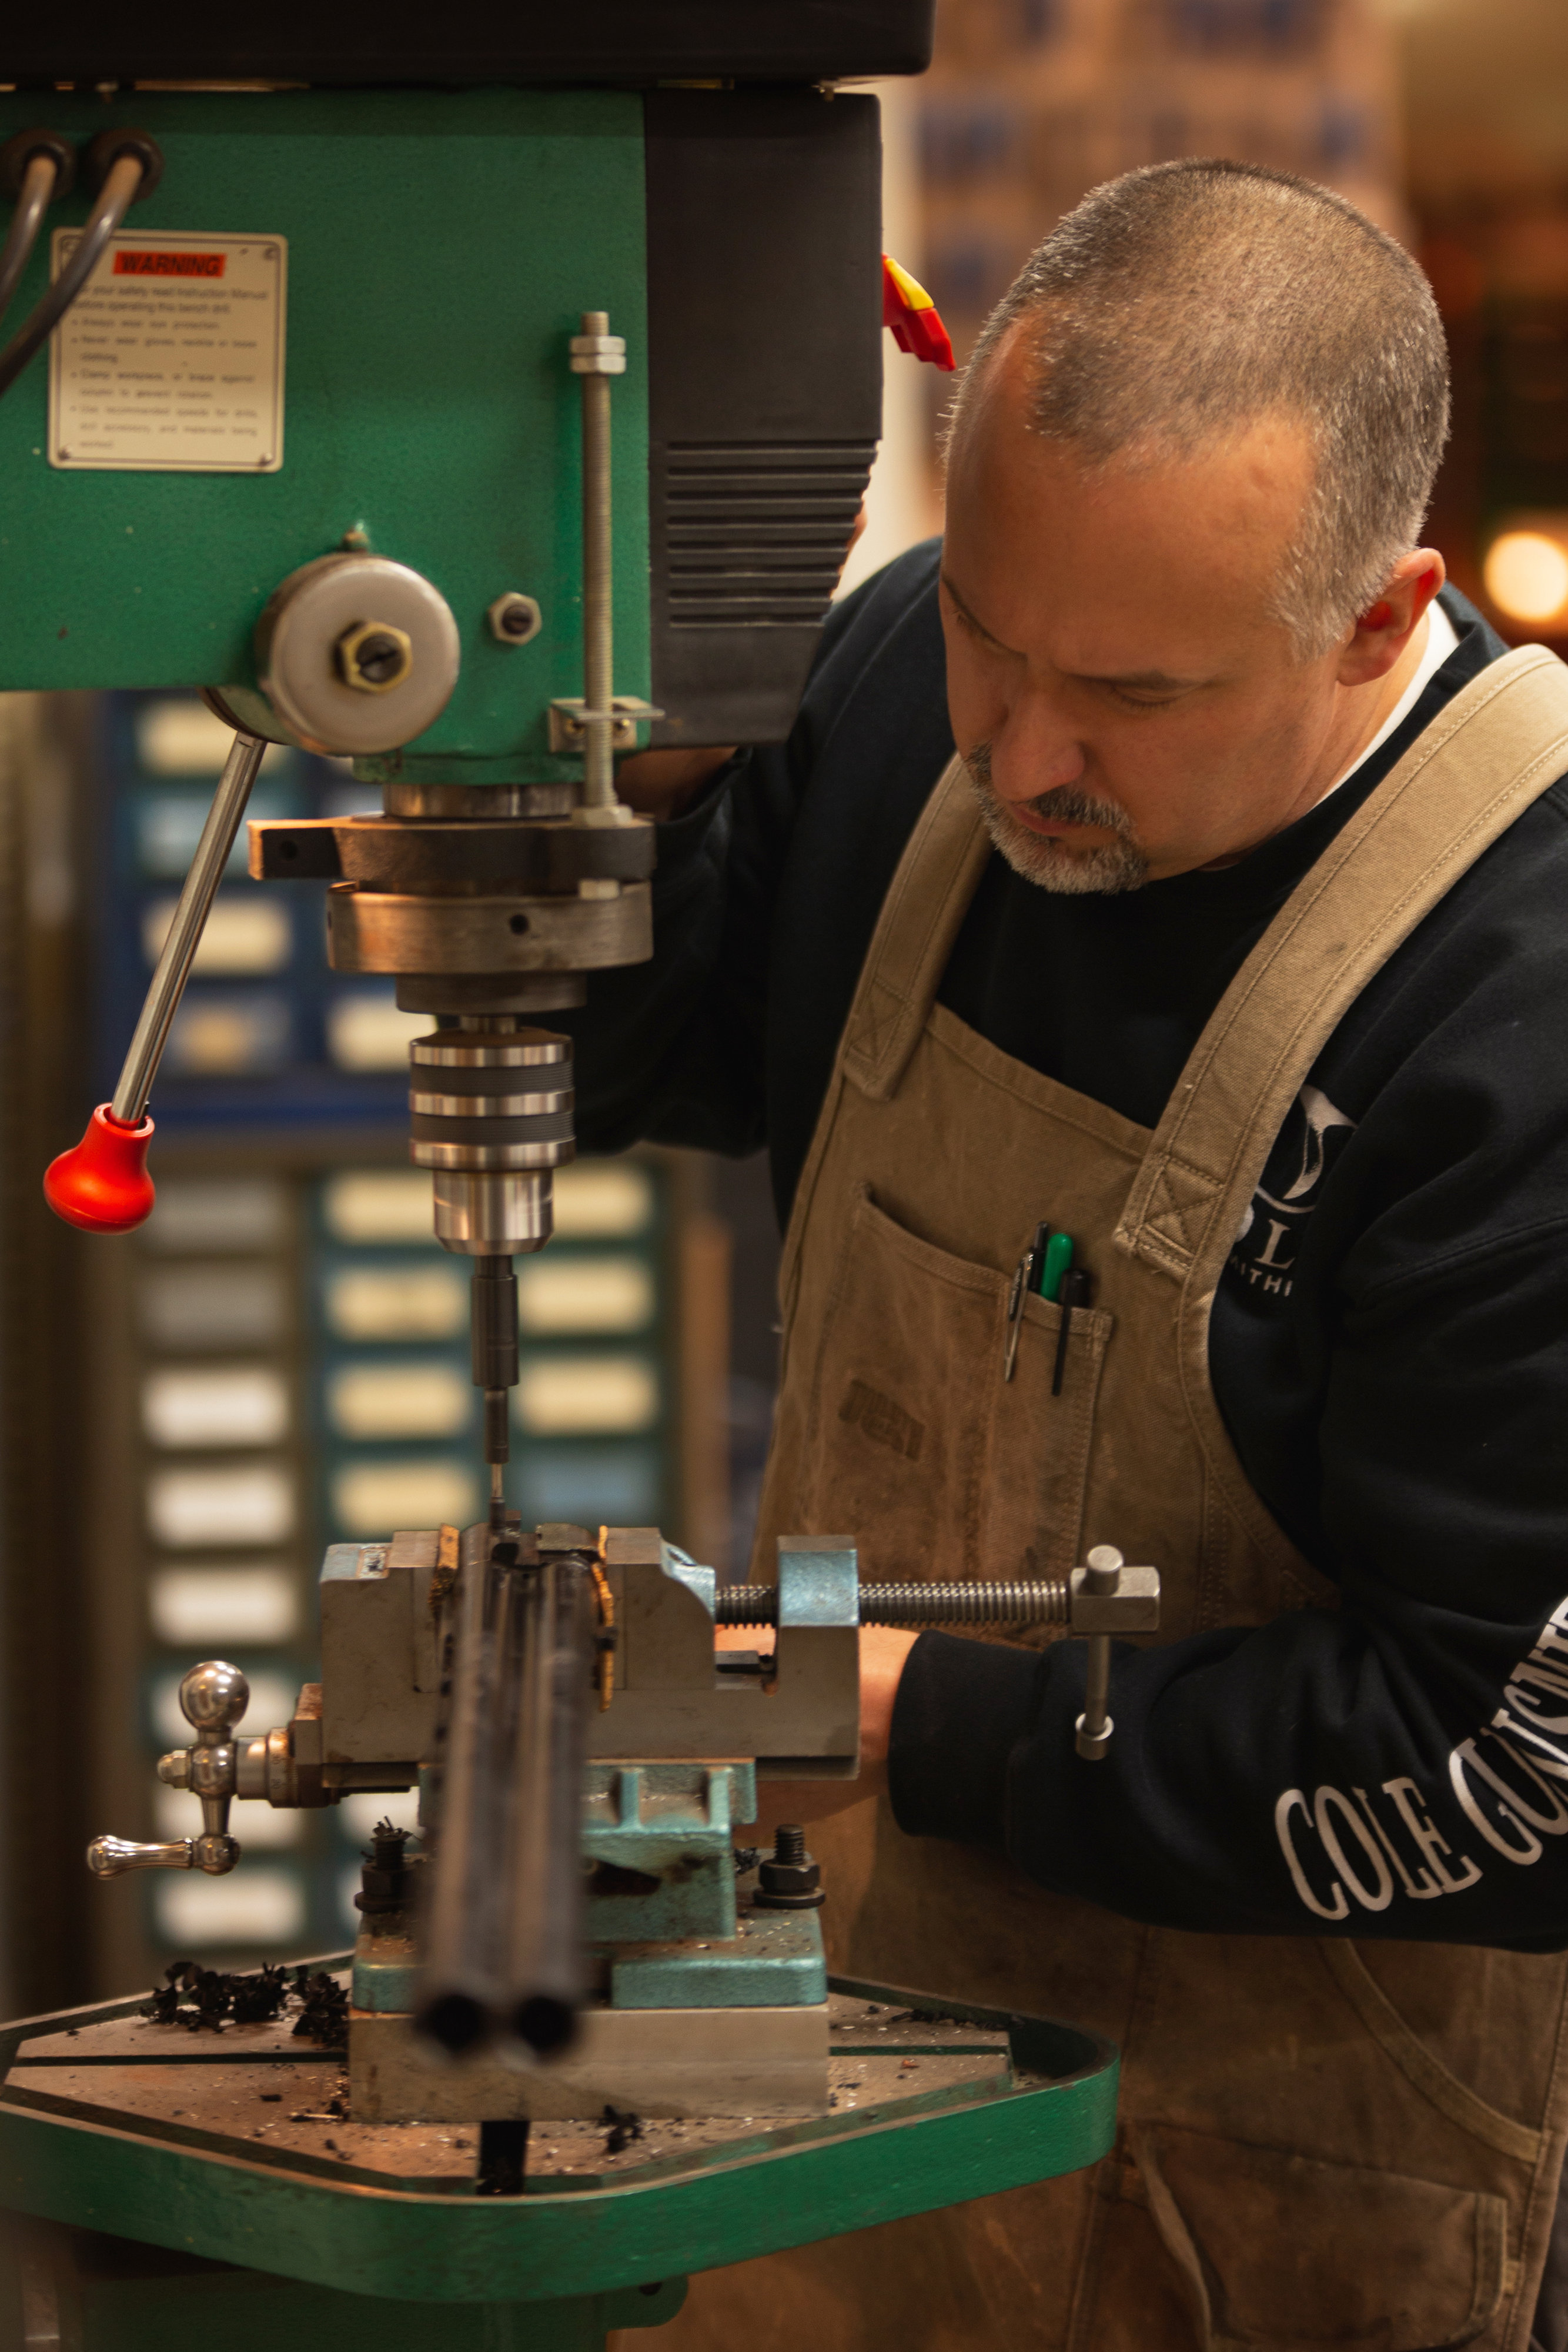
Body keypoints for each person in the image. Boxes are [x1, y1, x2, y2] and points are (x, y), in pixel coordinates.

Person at [584, 160, 1568, 2350]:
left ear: (1379, 619)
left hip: (1288, 2214)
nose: (1020, 756)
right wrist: (623, 776)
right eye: (984, 634)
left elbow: (1510, 1779)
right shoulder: (900, 708)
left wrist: (911, 1712)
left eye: (1126, 692)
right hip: (844, 2115)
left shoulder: (1519, 1006)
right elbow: (645, 1067)